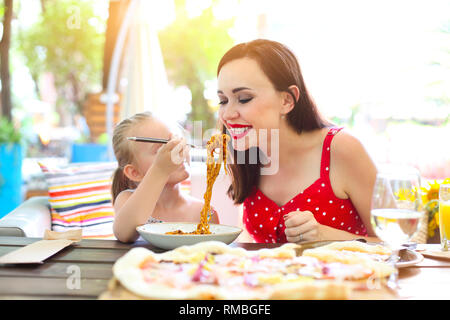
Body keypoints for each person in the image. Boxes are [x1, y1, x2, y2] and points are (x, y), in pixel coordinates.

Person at [216, 39, 379, 243]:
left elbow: (397, 247)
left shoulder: (343, 149)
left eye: (244, 98)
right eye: (223, 100)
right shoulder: (249, 154)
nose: (227, 114)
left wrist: (325, 236)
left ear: (287, 100)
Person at [111, 112, 219, 243]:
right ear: (135, 173)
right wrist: (160, 170)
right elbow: (124, 234)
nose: (176, 150)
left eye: (175, 142)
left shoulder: (204, 212)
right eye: (160, 150)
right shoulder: (126, 200)